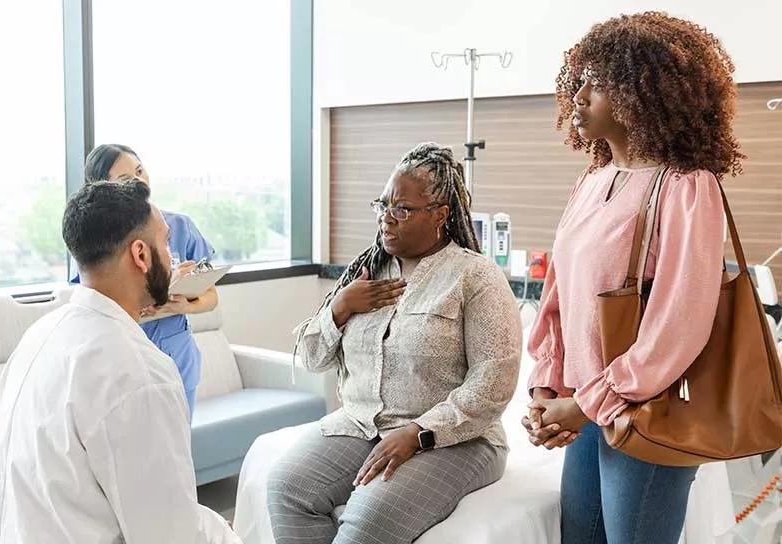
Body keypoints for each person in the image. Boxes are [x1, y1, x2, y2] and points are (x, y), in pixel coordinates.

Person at [522, 12, 743, 544]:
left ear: (639, 93)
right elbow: (557, 297)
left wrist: (583, 404)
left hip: (646, 414)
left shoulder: (687, 187)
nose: (578, 96)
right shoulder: (593, 180)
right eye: (577, 80)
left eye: (594, 83)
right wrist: (547, 384)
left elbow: (678, 327)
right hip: (584, 407)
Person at [266, 143, 522, 544]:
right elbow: (312, 358)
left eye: (401, 209)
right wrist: (340, 306)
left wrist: (420, 432)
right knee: (287, 487)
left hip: (457, 438)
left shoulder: (475, 277)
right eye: (382, 205)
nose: (386, 218)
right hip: (363, 424)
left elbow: (493, 384)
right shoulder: (366, 272)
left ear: (440, 214)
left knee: (367, 519)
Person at [0, 179, 240, 544]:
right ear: (141, 255)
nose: (173, 258)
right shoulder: (139, 372)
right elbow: (170, 536)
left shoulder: (38, 337)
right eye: (166, 243)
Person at [80, 143, 218, 418]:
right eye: (125, 179)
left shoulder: (178, 227)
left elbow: (211, 297)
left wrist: (182, 306)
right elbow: (96, 309)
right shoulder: (98, 243)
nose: (139, 181)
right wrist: (157, 297)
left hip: (177, 356)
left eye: (140, 170)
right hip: (124, 361)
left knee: (178, 453)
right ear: (102, 189)